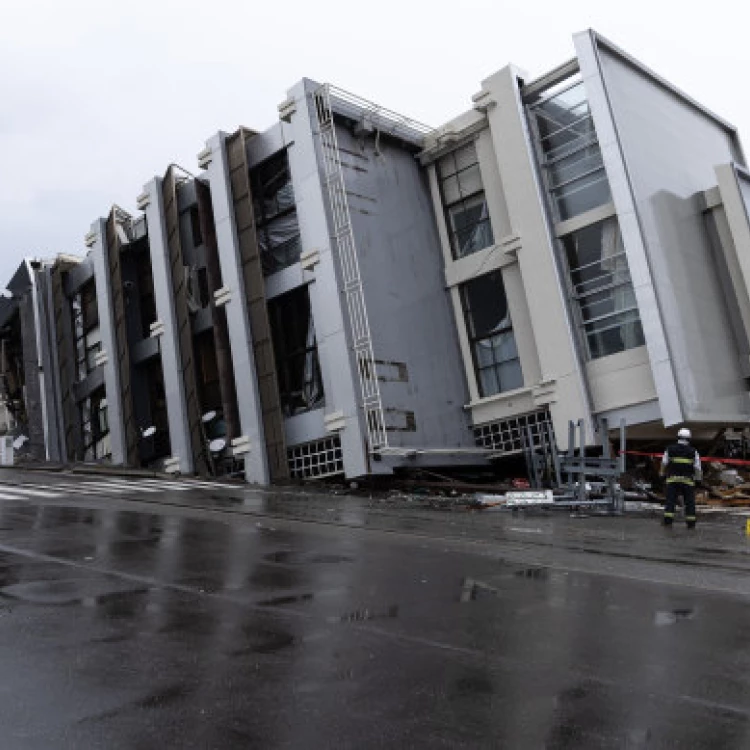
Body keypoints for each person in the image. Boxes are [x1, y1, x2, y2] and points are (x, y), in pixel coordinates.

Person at [660, 428, 702, 529]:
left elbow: (664, 463)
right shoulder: (693, 451)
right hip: (687, 482)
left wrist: (661, 474)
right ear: (689, 439)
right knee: (689, 503)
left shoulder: (669, 449)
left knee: (670, 501)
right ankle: (691, 523)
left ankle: (668, 521)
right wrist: (698, 479)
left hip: (672, 480)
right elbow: (697, 467)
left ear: (678, 437)